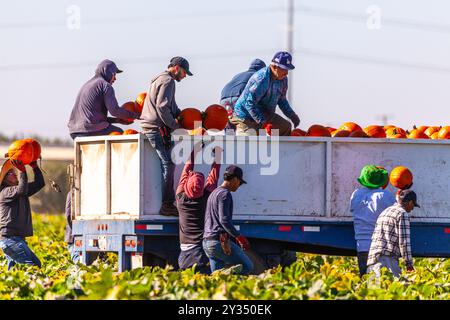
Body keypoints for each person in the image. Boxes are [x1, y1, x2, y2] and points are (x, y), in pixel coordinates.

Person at [140, 56, 193, 216]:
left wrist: (182, 115)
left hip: (152, 125)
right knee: (168, 163)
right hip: (156, 127)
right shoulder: (168, 81)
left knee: (167, 163)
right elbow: (162, 107)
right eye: (184, 72)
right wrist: (176, 126)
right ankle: (167, 204)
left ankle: (166, 202)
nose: (184, 76)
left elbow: (171, 106)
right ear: (176, 68)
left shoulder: (160, 79)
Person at [176, 143, 222, 274]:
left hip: (184, 254)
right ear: (203, 187)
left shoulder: (181, 198)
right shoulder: (207, 197)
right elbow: (214, 176)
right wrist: (217, 155)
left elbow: (185, 171)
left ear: (186, 185)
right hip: (200, 252)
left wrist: (194, 151)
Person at [230, 51, 300, 136]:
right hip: (245, 116)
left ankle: (281, 149)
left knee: (285, 127)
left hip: (265, 113)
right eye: (284, 69)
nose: (286, 73)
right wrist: (264, 123)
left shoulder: (283, 79)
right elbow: (249, 104)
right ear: (274, 66)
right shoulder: (261, 79)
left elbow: (282, 100)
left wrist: (292, 115)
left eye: (287, 69)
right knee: (249, 140)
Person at [67, 59, 139, 139]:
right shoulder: (105, 86)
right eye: (114, 74)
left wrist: (117, 120)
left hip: (74, 132)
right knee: (121, 135)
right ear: (108, 72)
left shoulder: (87, 85)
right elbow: (114, 111)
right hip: (89, 131)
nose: (115, 78)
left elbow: (92, 118)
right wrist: (136, 116)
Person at [202, 165, 253, 275]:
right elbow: (224, 220)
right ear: (235, 179)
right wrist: (239, 237)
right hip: (217, 242)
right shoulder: (225, 194)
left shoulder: (214, 193)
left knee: (217, 278)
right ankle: (228, 279)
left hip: (207, 242)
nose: (239, 186)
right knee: (247, 266)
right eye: (240, 182)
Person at [350, 165, 395, 276]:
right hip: (379, 247)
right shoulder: (385, 196)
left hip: (362, 247)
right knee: (380, 285)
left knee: (366, 283)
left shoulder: (355, 195)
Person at [0, 159, 45, 270]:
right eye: (11, 173)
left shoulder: (19, 190)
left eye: (15, 172)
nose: (15, 174)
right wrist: (23, 171)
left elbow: (40, 183)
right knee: (33, 267)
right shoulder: (5, 192)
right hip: (10, 240)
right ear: (4, 179)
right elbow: (22, 190)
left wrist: (35, 167)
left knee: (17, 272)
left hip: (16, 240)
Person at [367, 190, 420, 278]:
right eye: (413, 205)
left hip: (373, 259)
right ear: (410, 202)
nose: (412, 209)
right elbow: (404, 242)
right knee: (397, 288)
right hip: (386, 260)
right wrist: (409, 264)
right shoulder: (402, 214)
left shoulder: (386, 211)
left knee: (374, 290)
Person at [220, 59, 266, 130]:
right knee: (247, 123)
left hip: (224, 98)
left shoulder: (238, 75)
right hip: (239, 97)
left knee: (230, 124)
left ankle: (229, 139)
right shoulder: (258, 76)